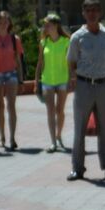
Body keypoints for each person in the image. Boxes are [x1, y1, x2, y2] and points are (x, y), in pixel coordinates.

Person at [67, 0, 105, 182]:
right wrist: (74, 80)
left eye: (95, 10)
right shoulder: (77, 37)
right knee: (79, 129)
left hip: (104, 86)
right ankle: (77, 168)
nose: (91, 14)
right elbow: (71, 62)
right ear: (83, 13)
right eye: (88, 10)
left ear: (100, 13)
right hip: (84, 85)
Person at [0, 11, 24, 151]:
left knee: (11, 106)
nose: (3, 25)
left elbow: (18, 61)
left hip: (11, 74)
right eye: (0, 22)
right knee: (0, 106)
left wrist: (21, 80)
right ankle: (2, 137)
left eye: (5, 22)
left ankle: (12, 138)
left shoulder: (15, 39)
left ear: (9, 24)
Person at [35, 13, 70, 152]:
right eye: (45, 25)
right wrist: (36, 80)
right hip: (47, 80)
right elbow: (40, 62)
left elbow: (71, 62)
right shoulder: (44, 42)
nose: (46, 27)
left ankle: (59, 135)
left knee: (59, 110)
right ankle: (53, 142)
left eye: (48, 24)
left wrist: (73, 77)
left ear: (56, 25)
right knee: (50, 111)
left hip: (63, 79)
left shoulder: (66, 41)